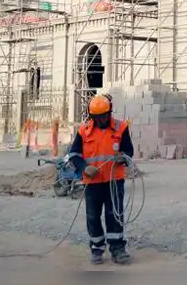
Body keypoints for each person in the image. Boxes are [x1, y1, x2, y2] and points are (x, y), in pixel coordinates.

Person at [65, 94, 134, 265]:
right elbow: (73, 154)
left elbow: (128, 151)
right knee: (93, 216)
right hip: (92, 182)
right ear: (92, 117)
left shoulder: (121, 128)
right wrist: (83, 168)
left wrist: (123, 158)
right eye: (97, 117)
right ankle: (96, 248)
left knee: (115, 214)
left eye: (104, 116)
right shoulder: (84, 131)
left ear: (109, 113)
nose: (101, 120)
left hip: (114, 181)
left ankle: (117, 248)